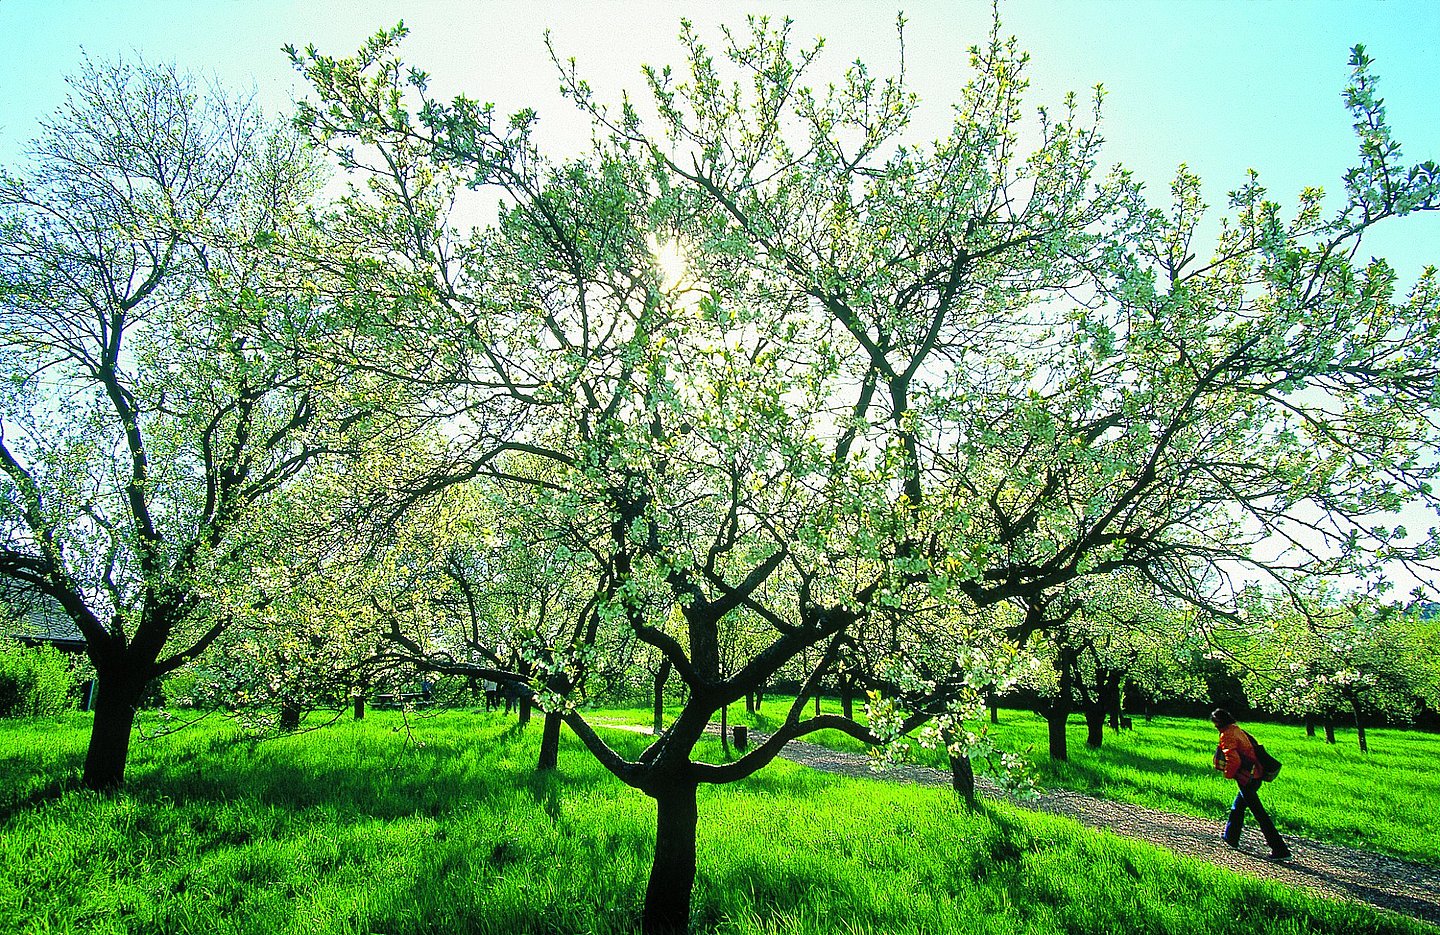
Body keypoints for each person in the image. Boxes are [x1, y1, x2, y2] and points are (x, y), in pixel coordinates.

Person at [1210, 708, 1291, 859]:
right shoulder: (1237, 729)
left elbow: (1234, 759)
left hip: (1247, 777)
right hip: (1256, 775)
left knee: (1260, 814)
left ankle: (1280, 849)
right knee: (1237, 807)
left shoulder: (1227, 734)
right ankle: (1230, 838)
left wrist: (1228, 774)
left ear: (1218, 722)